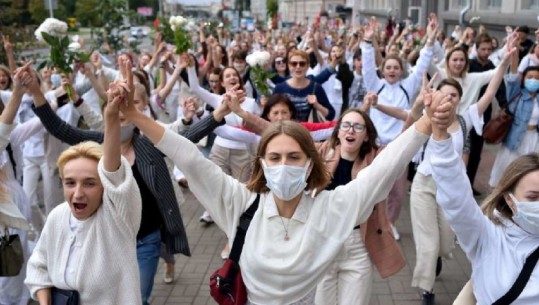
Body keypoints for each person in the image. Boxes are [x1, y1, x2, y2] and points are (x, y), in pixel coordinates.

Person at [119, 59, 455, 304]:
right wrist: (134, 116)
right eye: (275, 158)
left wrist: (425, 123)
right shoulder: (240, 203)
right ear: (262, 165)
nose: (283, 166)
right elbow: (189, 155)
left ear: (310, 164)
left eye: (293, 158)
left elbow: (383, 170)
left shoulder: (331, 207)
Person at [30, 56, 226, 305]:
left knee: (139, 297)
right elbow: (60, 129)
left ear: (139, 110)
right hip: (107, 238)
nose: (123, 109)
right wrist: (37, 93)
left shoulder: (150, 146)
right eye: (118, 104)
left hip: (145, 237)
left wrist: (219, 113)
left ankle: (168, 262)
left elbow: (187, 137)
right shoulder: (96, 145)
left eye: (130, 104)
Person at [24, 63, 144, 305]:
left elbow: (114, 174)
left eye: (89, 183)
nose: (77, 193)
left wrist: (111, 118)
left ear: (104, 187)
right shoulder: (58, 216)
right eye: (69, 183)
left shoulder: (117, 219)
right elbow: (39, 265)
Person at [409, 39, 516, 305]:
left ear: (459, 99)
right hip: (423, 185)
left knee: (446, 246)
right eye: (443, 94)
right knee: (429, 245)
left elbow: (489, 93)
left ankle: (433, 262)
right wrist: (418, 105)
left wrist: (503, 61)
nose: (448, 99)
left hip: (452, 192)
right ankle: (426, 291)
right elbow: (405, 132)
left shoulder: (465, 117)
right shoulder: (427, 118)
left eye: (453, 95)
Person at [429, 103, 539, 305]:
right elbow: (457, 199)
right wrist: (440, 136)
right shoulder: (488, 236)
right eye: (533, 197)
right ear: (510, 200)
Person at [315, 99, 406, 305]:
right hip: (323, 242)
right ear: (338, 132)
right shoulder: (323, 153)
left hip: (357, 245)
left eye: (358, 127)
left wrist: (417, 110)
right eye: (346, 125)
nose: (351, 130)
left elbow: (402, 147)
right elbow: (285, 137)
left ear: (366, 136)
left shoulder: (375, 158)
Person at [489, 63, 539, 187]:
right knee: (505, 170)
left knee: (526, 172)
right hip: (514, 139)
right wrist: (514, 52)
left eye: (537, 78)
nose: (533, 80)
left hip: (533, 139)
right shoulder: (516, 94)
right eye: (530, 77)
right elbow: (512, 76)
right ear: (523, 78)